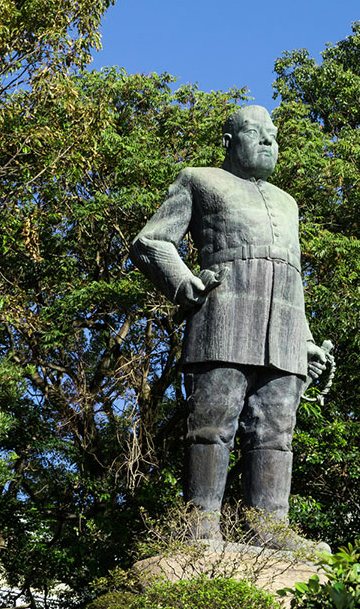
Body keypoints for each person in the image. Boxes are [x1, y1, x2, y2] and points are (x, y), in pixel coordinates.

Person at [131, 104, 332, 546]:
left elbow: (293, 276)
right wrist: (185, 282)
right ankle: (200, 524)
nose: (267, 140)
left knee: (276, 429)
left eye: (273, 134)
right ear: (228, 141)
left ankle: (270, 529)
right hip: (223, 316)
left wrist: (307, 341)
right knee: (212, 420)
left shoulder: (288, 202)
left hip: (282, 330)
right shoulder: (199, 180)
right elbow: (151, 241)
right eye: (255, 132)